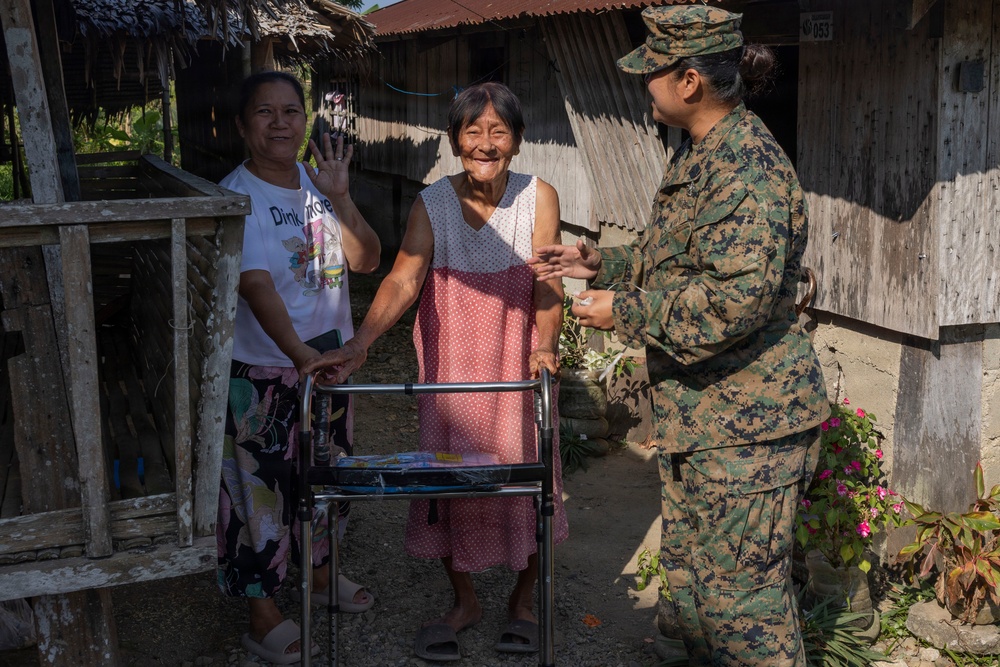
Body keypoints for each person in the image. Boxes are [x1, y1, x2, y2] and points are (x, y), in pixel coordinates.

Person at [529, 6, 829, 667]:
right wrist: (597, 264)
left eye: (653, 73)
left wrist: (629, 312)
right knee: (693, 595)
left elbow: (735, 299)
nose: (646, 86)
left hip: (750, 427)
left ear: (689, 80)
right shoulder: (701, 154)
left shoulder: (745, 167)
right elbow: (684, 263)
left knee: (746, 611)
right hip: (706, 418)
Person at [303, 81, 569, 662]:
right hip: (450, 366)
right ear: (455, 140)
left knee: (528, 474)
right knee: (447, 476)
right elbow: (402, 278)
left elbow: (548, 280)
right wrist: (360, 343)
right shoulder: (433, 202)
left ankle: (523, 601)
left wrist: (545, 346)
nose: (485, 143)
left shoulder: (538, 196)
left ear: (518, 142)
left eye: (499, 131)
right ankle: (466, 601)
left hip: (515, 362)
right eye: (473, 131)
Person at [216, 70, 381, 665]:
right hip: (264, 371)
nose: (281, 122)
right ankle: (263, 618)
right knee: (259, 494)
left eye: (291, 111)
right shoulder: (237, 196)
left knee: (327, 479)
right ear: (242, 125)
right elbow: (256, 286)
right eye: (265, 112)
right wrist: (300, 356)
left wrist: (339, 196)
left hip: (328, 364)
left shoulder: (318, 185)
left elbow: (366, 260)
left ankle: (320, 576)